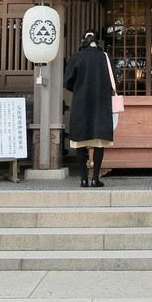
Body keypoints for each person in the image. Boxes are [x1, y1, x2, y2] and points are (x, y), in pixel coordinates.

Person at [63, 31, 115, 187]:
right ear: (97, 41)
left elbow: (67, 82)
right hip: (101, 103)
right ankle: (95, 179)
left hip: (81, 103)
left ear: (83, 40)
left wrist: (80, 89)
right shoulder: (105, 58)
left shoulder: (76, 57)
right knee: (99, 143)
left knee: (80, 142)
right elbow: (113, 82)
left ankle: (83, 180)